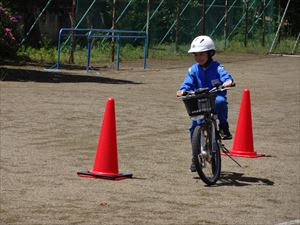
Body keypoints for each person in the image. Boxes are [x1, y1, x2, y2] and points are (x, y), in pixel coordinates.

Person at [176, 35, 234, 172]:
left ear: (210, 53)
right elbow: (187, 82)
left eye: (202, 54)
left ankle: (224, 125)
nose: (198, 57)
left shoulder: (217, 67)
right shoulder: (193, 70)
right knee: (194, 127)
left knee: (220, 101)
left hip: (215, 97)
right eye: (195, 55)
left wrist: (227, 81)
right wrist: (183, 89)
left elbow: (226, 76)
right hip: (200, 100)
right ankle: (195, 156)